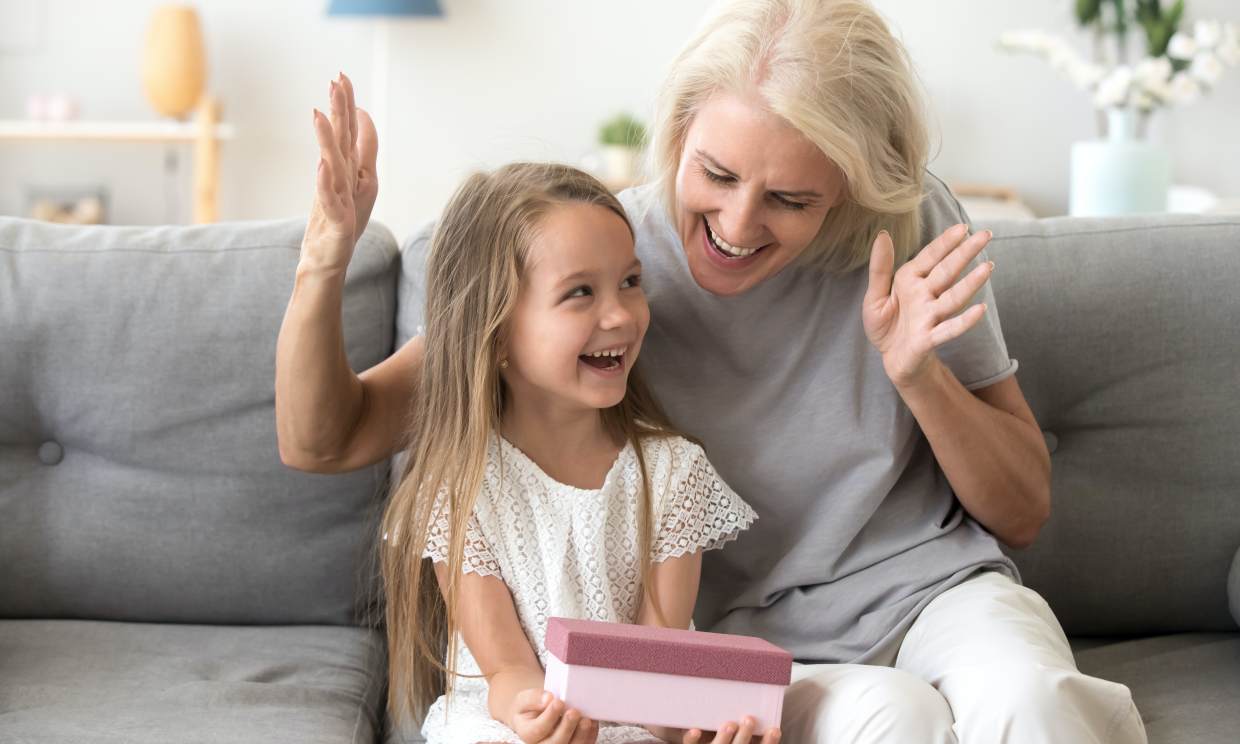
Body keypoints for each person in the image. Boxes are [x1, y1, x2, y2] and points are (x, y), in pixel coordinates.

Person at [277, 1, 1148, 741]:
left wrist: (918, 374)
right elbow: (330, 437)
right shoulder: (605, 259)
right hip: (741, 650)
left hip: (932, 595)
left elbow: (1023, 509)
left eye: (790, 200)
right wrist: (324, 259)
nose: (735, 224)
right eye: (715, 173)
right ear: (679, 133)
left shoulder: (910, 224)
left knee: (1035, 705)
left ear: (848, 187)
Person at [280, 80, 772, 744]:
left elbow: (659, 674)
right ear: (497, 331)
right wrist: (540, 717)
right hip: (504, 719)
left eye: (631, 282)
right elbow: (506, 671)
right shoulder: (462, 485)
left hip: (626, 722)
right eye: (579, 294)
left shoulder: (671, 474)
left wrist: (701, 731)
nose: (620, 316)